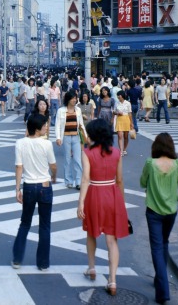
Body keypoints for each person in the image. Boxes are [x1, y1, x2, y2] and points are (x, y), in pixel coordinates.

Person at [77, 119, 129, 296]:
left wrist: (80, 202)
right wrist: (121, 202)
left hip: (95, 193)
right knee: (111, 239)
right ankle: (112, 279)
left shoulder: (87, 152)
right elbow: (120, 179)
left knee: (91, 233)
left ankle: (92, 268)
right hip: (112, 194)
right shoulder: (116, 152)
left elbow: (85, 178)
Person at [140, 133, 178, 304]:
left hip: (154, 211)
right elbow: (177, 182)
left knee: (157, 247)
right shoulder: (177, 164)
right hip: (171, 210)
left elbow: (143, 182)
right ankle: (159, 279)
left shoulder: (150, 163)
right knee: (164, 243)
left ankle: (162, 290)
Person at [12, 114, 57, 271]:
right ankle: (43, 263)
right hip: (45, 186)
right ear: (37, 129)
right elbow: (53, 165)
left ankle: (17, 259)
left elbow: (19, 167)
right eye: (44, 125)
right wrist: (54, 177)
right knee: (45, 225)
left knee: (25, 223)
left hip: (29, 186)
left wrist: (18, 189)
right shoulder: (46, 144)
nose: (46, 127)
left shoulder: (20, 143)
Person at [55, 90, 86, 190]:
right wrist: (58, 138)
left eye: (75, 98)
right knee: (67, 159)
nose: (74, 100)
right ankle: (68, 181)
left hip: (76, 136)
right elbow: (58, 125)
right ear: (68, 99)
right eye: (72, 98)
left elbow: (81, 124)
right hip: (66, 137)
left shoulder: (78, 110)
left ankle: (78, 182)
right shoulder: (61, 111)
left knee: (77, 160)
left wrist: (85, 136)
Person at [114, 90, 134, 156]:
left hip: (126, 119)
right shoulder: (116, 103)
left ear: (122, 96)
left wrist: (131, 123)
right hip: (119, 119)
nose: (118, 97)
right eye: (117, 95)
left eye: (119, 95)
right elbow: (114, 111)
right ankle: (121, 151)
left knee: (125, 136)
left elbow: (130, 113)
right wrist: (117, 113)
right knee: (120, 136)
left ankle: (124, 149)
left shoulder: (128, 103)